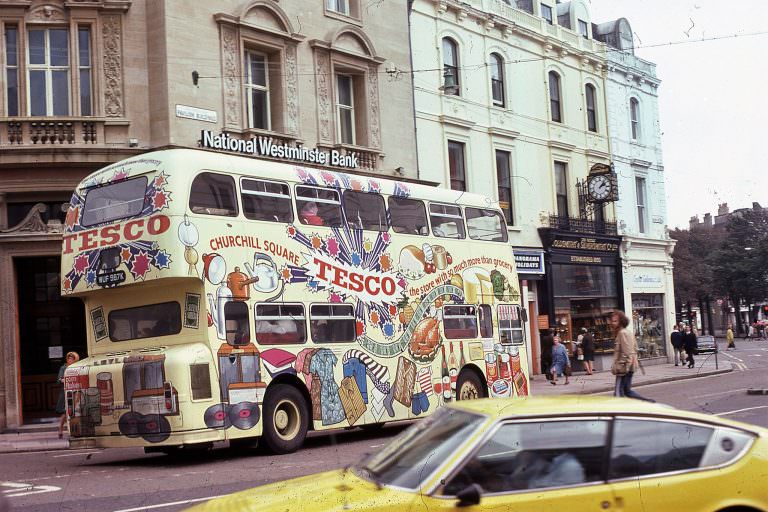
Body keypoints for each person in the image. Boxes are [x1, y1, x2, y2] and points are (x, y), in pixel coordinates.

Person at [611, 310, 654, 402]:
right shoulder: (627, 332)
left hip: (624, 368)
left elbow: (626, 353)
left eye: (615, 321)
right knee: (627, 391)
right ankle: (648, 402)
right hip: (629, 366)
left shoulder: (622, 333)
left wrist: (619, 366)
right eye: (612, 321)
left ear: (621, 322)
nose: (612, 323)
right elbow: (634, 348)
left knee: (618, 394)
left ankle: (620, 412)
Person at [57, 351, 80, 439]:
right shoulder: (64, 368)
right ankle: (60, 429)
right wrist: (64, 380)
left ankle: (73, 430)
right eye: (69, 358)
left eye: (72, 358)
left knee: (74, 412)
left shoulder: (78, 367)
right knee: (65, 412)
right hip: (66, 393)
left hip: (76, 392)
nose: (70, 360)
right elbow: (59, 379)